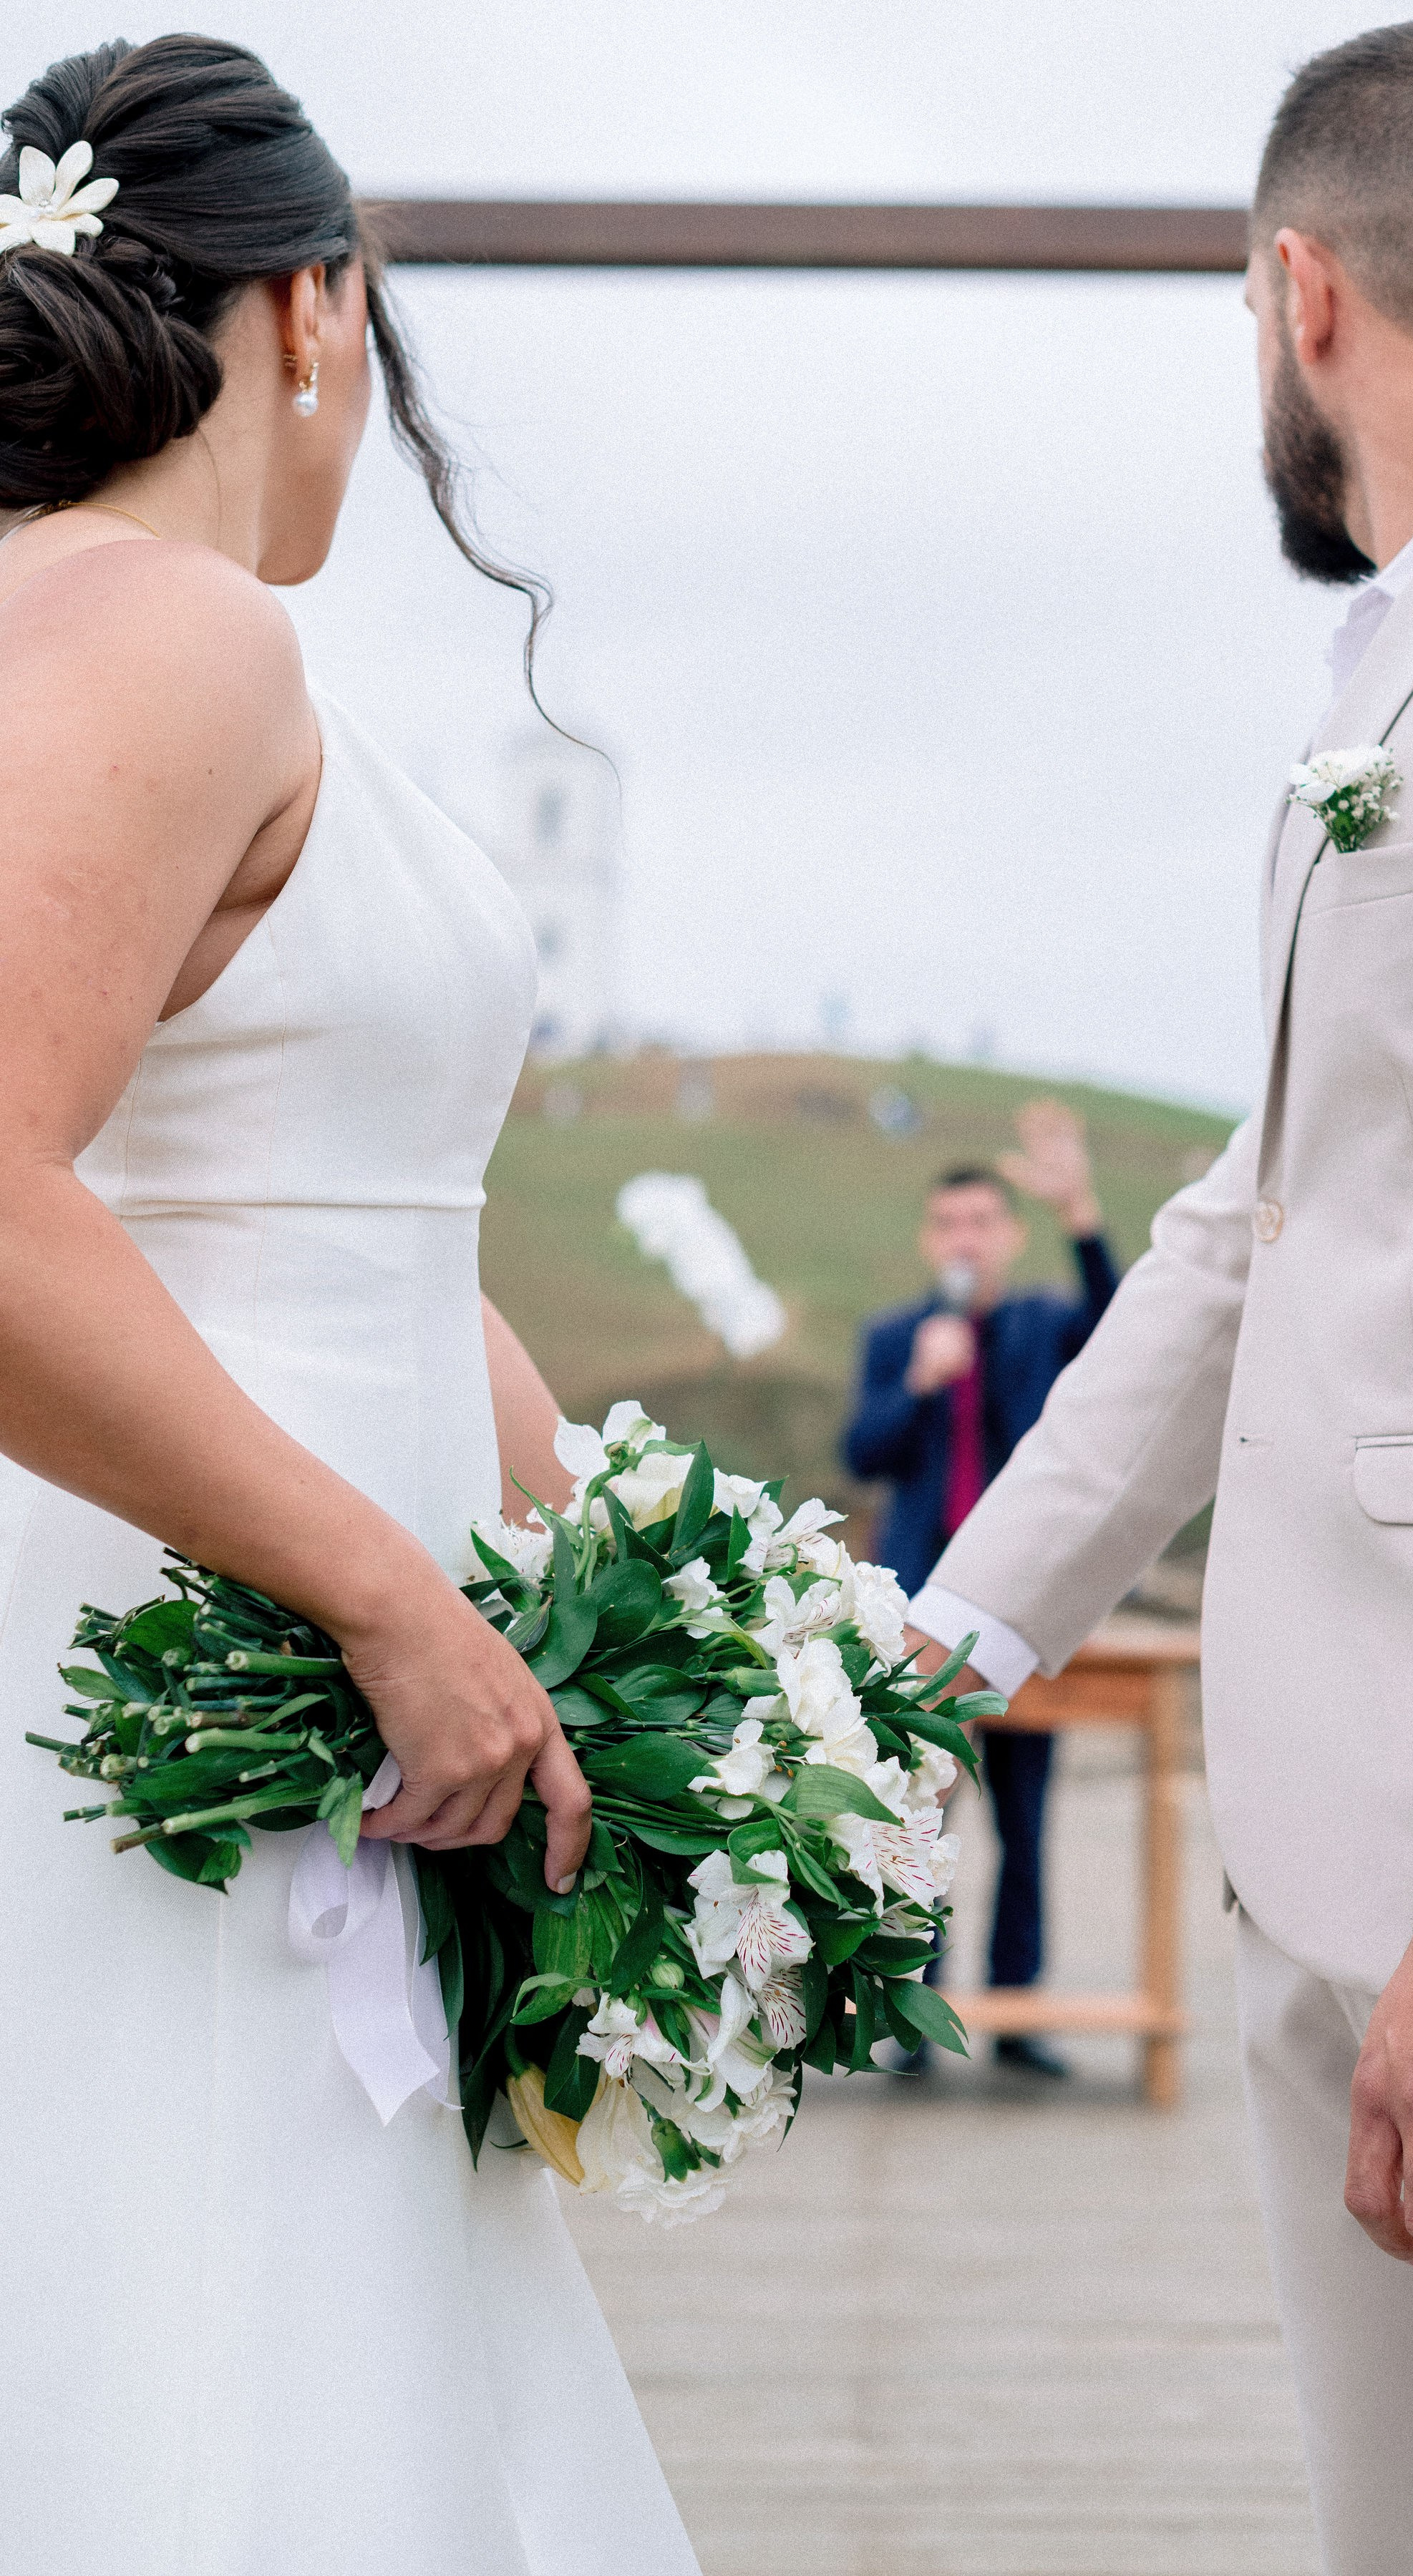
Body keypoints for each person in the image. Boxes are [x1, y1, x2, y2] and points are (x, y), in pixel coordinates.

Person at [905, 18, 1413, 2570]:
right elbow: (1242, 1247)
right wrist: (939, 1658)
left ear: (1299, 292)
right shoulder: (1411, 651)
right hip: (1325, 1874)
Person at [0, 37, 698, 2573]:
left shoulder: (137, 636)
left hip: (359, 1687)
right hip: (222, 1695)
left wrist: (658, 1587)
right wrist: (394, 1601)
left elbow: (350, 1217)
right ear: (319, 309)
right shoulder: (160, 627)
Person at [845, 1102, 1118, 2073]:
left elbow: (1122, 1331)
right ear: (932, 1237)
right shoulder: (897, 1336)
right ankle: (912, 2016)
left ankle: (1017, 2016)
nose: (965, 1238)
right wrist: (918, 1384)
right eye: (948, 1224)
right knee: (919, 1818)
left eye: (982, 1223)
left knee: (1025, 1818)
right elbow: (861, 1451)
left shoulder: (1044, 1327)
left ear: (1008, 1233)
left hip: (1026, 1607)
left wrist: (1082, 1213)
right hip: (922, 1611)